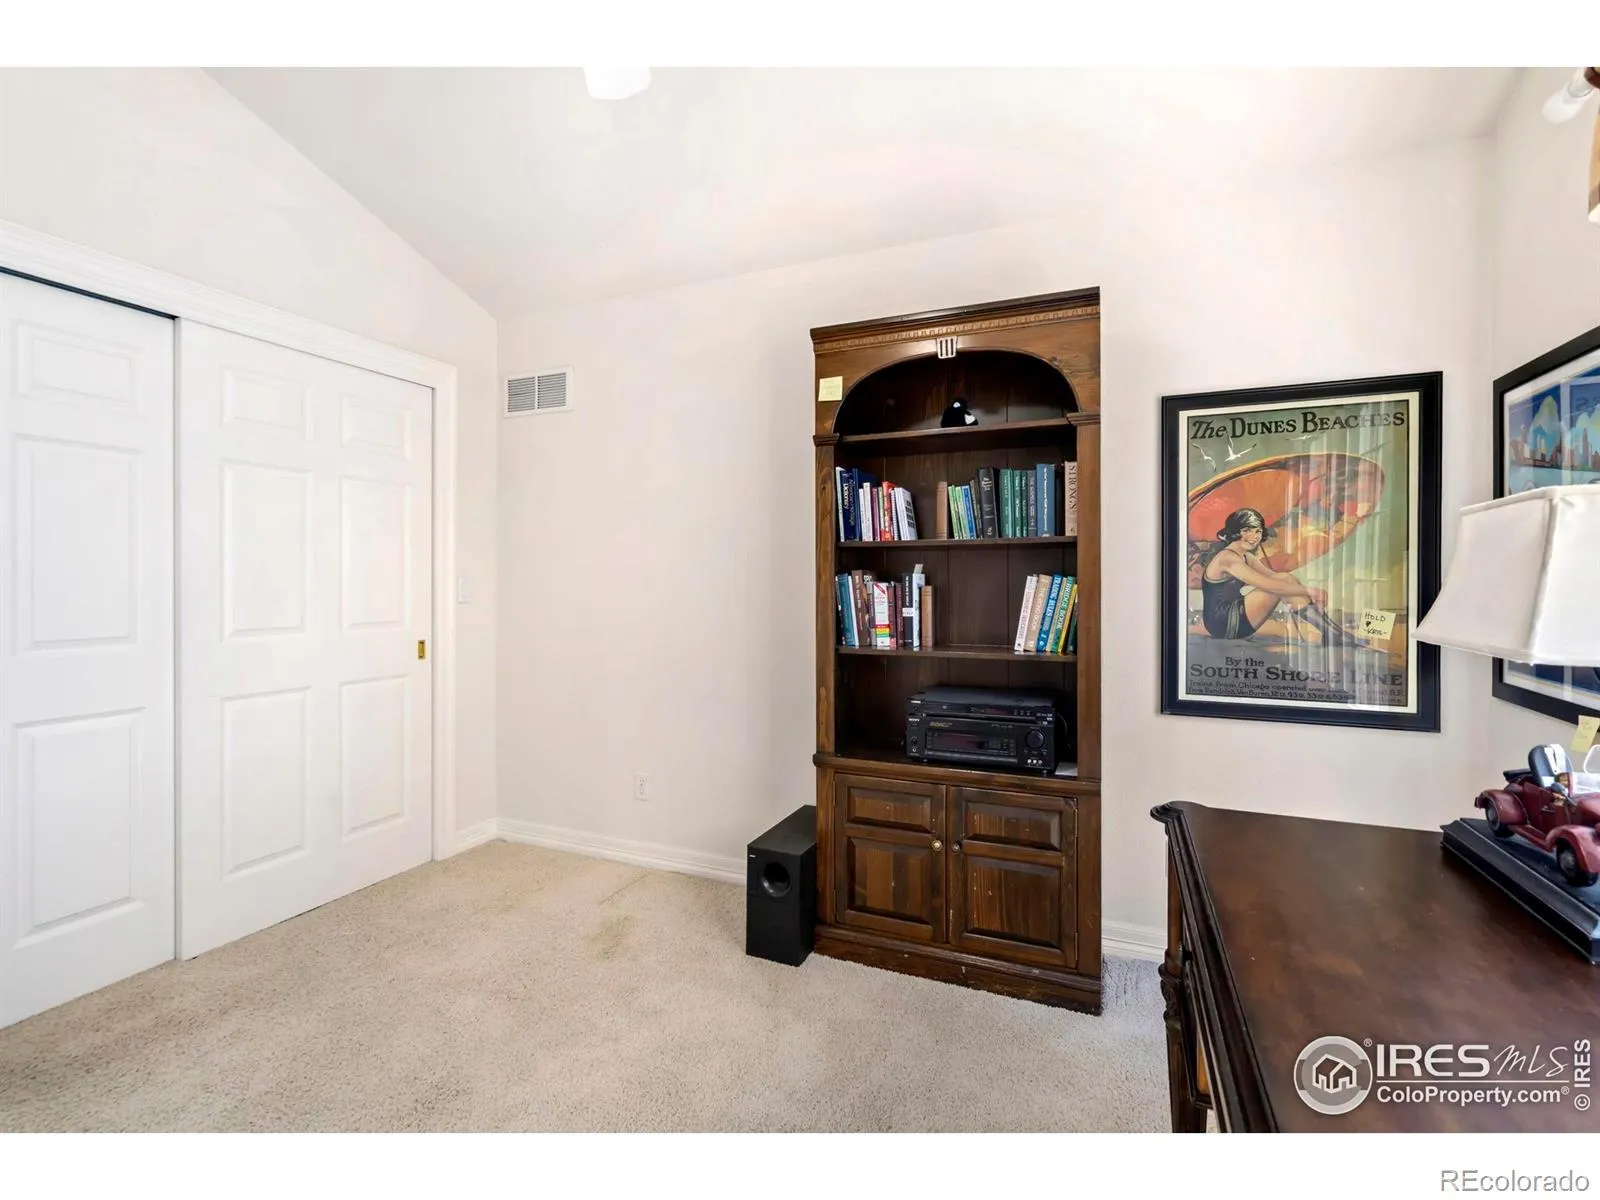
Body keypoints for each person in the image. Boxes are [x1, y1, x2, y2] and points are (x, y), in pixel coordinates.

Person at [1199, 508, 1356, 646]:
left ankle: (1332, 632)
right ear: (1235, 531)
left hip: (1236, 614)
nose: (1254, 536)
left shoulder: (1246, 557)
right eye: (1247, 530)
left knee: (1285, 578)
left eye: (1258, 531)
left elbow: (1278, 578)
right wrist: (1309, 591)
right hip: (1223, 622)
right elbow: (1268, 584)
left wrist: (1303, 593)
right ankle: (1332, 633)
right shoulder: (1227, 559)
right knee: (1282, 582)